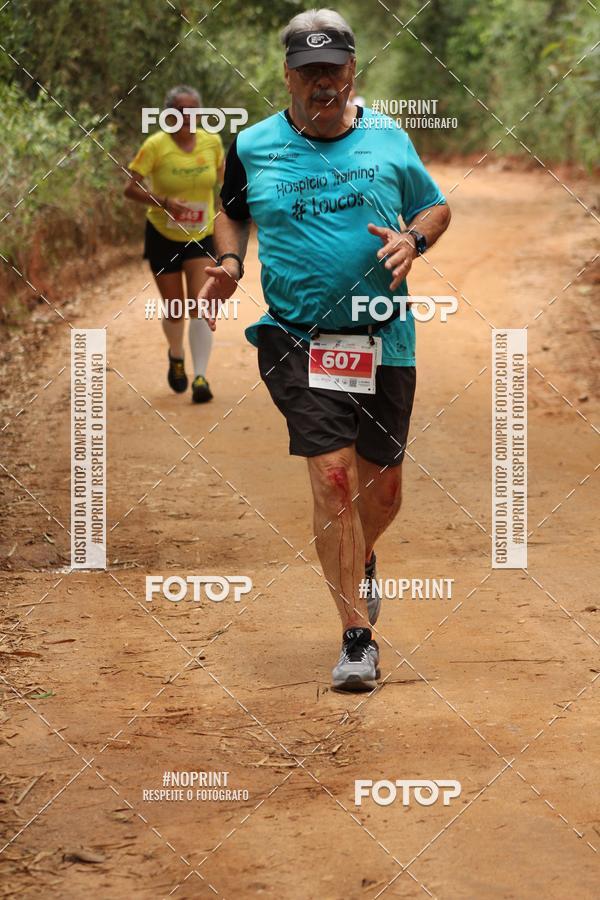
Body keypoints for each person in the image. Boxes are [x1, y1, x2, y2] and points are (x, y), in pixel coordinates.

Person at [199, 9, 451, 690]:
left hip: (383, 336)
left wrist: (413, 240)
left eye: (333, 69)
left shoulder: (388, 138)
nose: (322, 83)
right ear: (287, 75)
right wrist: (230, 261)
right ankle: (356, 640)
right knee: (333, 479)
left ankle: (359, 556)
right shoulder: (253, 145)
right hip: (298, 338)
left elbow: (435, 207)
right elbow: (231, 210)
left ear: (352, 71)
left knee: (383, 490)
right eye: (309, 70)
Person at [125, 85, 224, 403]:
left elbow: (224, 179)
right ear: (169, 115)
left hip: (201, 235)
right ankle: (176, 354)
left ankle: (201, 377)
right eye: (181, 111)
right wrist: (165, 202)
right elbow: (130, 188)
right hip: (163, 235)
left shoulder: (212, 142)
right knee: (175, 308)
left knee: (200, 304)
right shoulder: (155, 145)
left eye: (194, 110)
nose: (188, 116)